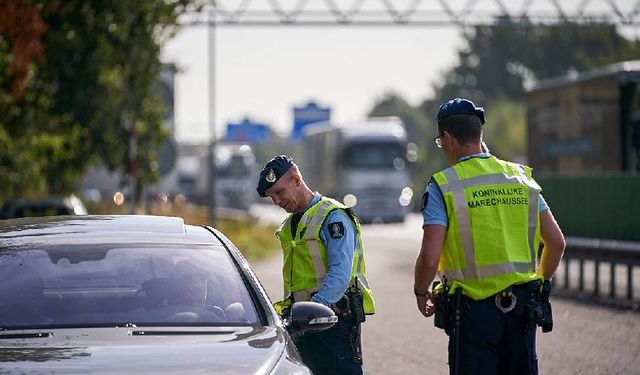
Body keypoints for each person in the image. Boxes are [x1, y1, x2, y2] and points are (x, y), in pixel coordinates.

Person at [413, 98, 566, 375]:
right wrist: (540, 284)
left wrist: (421, 291)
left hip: (472, 315)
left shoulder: (444, 185)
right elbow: (556, 242)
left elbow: (429, 258)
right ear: (479, 134)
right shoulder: (520, 178)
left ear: (448, 138)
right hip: (522, 311)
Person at [256, 155, 375, 375]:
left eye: (279, 192)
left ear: (296, 180)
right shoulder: (291, 223)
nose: (277, 201)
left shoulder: (333, 216)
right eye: (272, 197)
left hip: (332, 321)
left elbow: (340, 273)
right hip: (303, 324)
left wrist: (313, 310)